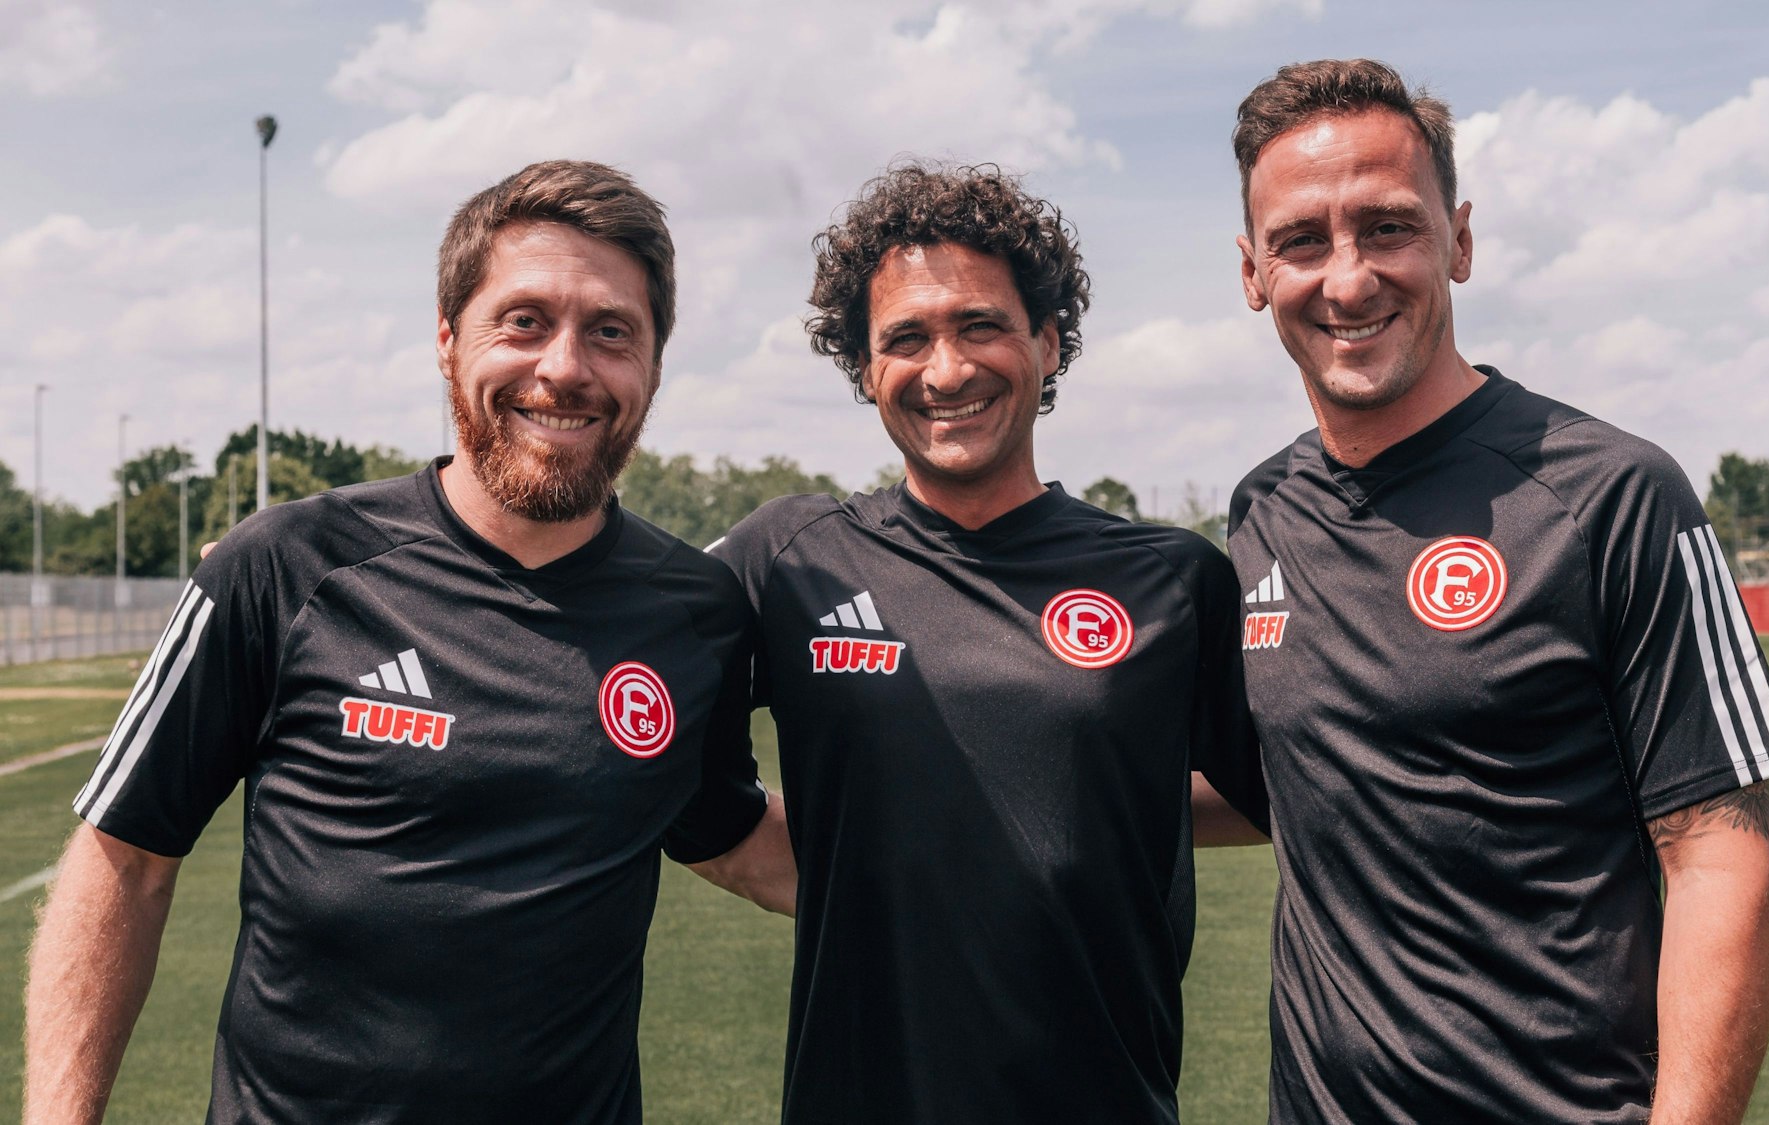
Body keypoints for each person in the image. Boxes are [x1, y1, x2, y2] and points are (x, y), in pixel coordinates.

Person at [23, 160, 794, 1125]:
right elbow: (126, 858)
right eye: (524, 321)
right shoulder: (285, 567)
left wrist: (964, 872)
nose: (565, 367)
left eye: (611, 331)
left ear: (653, 365)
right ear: (446, 340)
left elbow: (731, 836)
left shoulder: (696, 612)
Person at [1224, 60, 1769, 1123]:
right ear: (1253, 271)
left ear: (1459, 241)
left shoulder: (1613, 494)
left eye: (1388, 228)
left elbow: (1719, 860)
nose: (1347, 279)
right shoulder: (1260, 509)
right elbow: (1284, 775)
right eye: (1301, 239)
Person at [707, 162, 1267, 1125]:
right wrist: (808, 858)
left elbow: (1290, 794)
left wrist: (1101, 810)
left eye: (980, 325)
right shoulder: (791, 558)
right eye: (906, 339)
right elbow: (637, 709)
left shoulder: (1174, 579)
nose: (947, 370)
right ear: (865, 368)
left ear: (1047, 340)